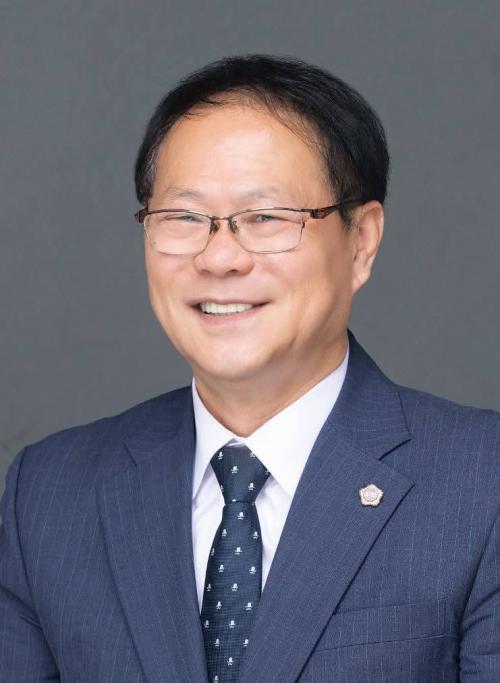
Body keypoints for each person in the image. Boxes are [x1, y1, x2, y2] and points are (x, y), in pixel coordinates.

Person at [0, 54, 498, 683]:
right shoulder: (50, 494)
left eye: (265, 218)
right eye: (184, 217)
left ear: (361, 241)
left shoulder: (483, 484)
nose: (220, 258)